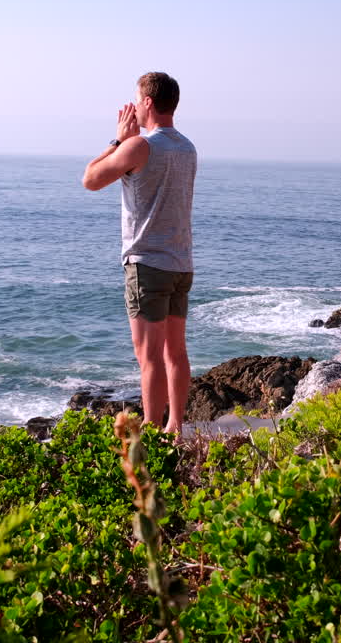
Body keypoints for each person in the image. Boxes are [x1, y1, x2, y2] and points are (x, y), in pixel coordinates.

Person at [82, 72, 196, 434]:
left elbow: (90, 179)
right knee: (175, 353)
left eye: (136, 99)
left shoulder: (139, 147)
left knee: (148, 358)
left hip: (146, 264)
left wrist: (118, 138)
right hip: (180, 263)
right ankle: (175, 427)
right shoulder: (188, 147)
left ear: (147, 102)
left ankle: (150, 428)